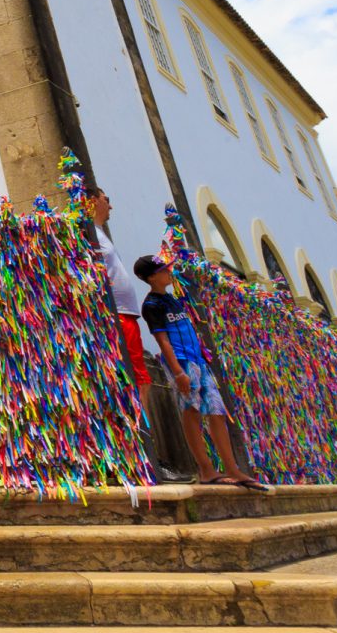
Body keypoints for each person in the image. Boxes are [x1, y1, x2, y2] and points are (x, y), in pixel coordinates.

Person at [132, 256, 267, 491]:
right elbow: (162, 340)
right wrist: (177, 371)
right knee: (191, 411)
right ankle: (206, 469)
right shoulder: (152, 305)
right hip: (182, 363)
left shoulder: (173, 300)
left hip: (198, 362)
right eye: (163, 270)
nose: (168, 272)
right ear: (152, 277)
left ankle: (232, 468)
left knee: (217, 412)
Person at [86, 186, 191, 483]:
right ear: (93, 201)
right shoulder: (89, 232)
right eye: (108, 199)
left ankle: (140, 451)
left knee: (140, 383)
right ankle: (139, 453)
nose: (111, 206)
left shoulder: (101, 233)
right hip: (116, 315)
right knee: (138, 383)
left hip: (125, 315)